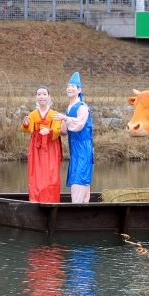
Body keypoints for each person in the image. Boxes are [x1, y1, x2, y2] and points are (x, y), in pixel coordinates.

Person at [53, 72, 94, 203]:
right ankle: (81, 203)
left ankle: (77, 205)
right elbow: (64, 131)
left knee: (80, 176)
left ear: (79, 90)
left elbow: (79, 125)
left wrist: (64, 118)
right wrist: (50, 128)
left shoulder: (82, 107)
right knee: (76, 176)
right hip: (74, 147)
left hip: (83, 146)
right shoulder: (69, 108)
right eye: (68, 86)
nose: (69, 88)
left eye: (73, 86)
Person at [21, 86, 63, 202]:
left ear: (49, 97)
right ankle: (35, 199)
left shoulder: (54, 114)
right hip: (36, 146)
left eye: (44, 94)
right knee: (35, 173)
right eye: (39, 94)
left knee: (51, 173)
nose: (42, 97)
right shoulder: (33, 114)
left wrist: (49, 131)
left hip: (51, 146)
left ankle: (51, 200)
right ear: (36, 97)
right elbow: (27, 129)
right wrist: (25, 124)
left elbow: (57, 129)